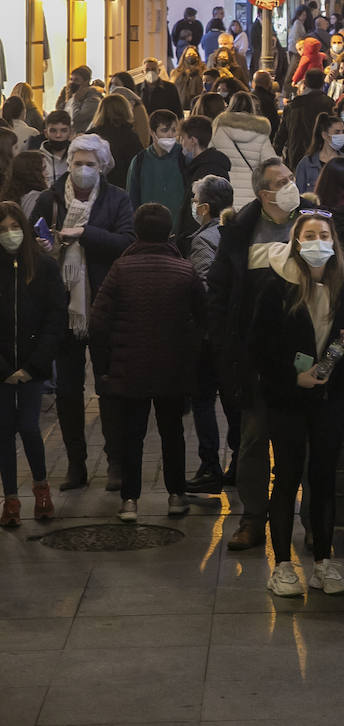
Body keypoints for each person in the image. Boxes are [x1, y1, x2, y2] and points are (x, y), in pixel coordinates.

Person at [249, 210, 344, 596]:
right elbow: (258, 348)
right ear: (297, 242)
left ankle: (323, 562)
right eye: (309, 235)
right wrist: (292, 377)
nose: (318, 242)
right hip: (286, 399)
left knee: (323, 478)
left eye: (324, 235)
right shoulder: (276, 285)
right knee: (286, 476)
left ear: (334, 241)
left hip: (330, 398)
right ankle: (282, 566)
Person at [208, 158, 310, 550]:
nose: (290, 185)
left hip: (306, 349)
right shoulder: (240, 230)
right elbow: (220, 290)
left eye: (290, 178)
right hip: (257, 356)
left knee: (307, 440)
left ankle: (313, 522)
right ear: (264, 193)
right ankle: (253, 518)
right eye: (281, 182)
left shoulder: (314, 220)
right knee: (253, 440)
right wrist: (224, 344)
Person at [31, 134, 135, 492]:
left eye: (91, 164)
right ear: (69, 164)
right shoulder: (50, 199)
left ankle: (116, 461)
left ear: (102, 166)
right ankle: (76, 464)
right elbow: (31, 240)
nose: (83, 170)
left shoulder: (117, 198)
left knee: (109, 386)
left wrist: (85, 233)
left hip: (103, 303)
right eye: (78, 163)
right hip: (62, 306)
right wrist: (43, 246)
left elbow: (127, 241)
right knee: (68, 391)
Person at [90, 202, 205, 521]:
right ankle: (176, 495)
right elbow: (203, 318)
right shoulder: (185, 270)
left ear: (136, 232)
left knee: (132, 435)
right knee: (173, 433)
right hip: (173, 369)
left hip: (129, 368)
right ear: (169, 233)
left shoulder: (120, 269)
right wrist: (189, 355)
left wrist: (104, 367)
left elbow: (98, 322)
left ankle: (130, 501)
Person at [0, 201, 67, 528]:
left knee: (28, 426)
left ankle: (41, 489)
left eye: (15, 227)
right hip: (2, 369)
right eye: (3, 229)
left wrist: (34, 364)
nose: (9, 234)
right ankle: (11, 498)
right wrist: (5, 369)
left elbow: (55, 319)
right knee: (3, 432)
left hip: (33, 365)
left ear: (25, 230)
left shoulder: (44, 267)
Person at [185, 174, 238, 493]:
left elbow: (205, 289)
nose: (193, 205)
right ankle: (240, 462)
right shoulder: (237, 231)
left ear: (204, 208)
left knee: (204, 399)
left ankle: (210, 467)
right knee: (233, 401)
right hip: (234, 333)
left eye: (195, 200)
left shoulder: (203, 240)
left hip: (210, 336)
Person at [175, 116, 232, 248]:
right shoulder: (203, 166)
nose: (181, 143)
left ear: (193, 140)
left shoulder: (205, 171)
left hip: (200, 242)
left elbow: (198, 213)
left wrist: (186, 240)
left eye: (183, 138)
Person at [210, 92, 275, 210]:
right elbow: (271, 163)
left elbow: (210, 156)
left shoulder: (218, 129)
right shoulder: (261, 131)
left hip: (223, 188)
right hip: (251, 190)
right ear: (252, 107)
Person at [275, 69, 334, 171]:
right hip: (320, 155)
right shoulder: (329, 104)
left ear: (305, 83)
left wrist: (277, 151)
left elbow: (282, 132)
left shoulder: (293, 105)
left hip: (296, 155)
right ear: (322, 83)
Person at [89, 94, 144, 189]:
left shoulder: (91, 135)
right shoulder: (130, 136)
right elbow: (138, 164)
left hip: (95, 187)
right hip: (123, 187)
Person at [295, 112, 344, 193]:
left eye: (342, 132)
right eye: (337, 132)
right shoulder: (306, 163)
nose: (341, 135)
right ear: (324, 135)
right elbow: (299, 193)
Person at [6, 151, 49, 221]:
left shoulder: (11, 195)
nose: (47, 173)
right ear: (32, 173)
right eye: (43, 169)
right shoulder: (36, 197)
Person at [58, 65, 101, 134]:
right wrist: (68, 99)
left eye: (76, 80)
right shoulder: (73, 95)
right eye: (71, 79)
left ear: (86, 81)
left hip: (82, 135)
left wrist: (76, 100)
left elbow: (77, 118)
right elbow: (61, 112)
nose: (72, 83)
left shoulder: (93, 99)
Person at [36, 109, 71, 185]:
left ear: (70, 132)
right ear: (46, 133)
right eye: (53, 131)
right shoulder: (36, 159)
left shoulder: (76, 157)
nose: (58, 135)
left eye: (63, 130)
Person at [172, 46, 204, 111]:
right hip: (180, 105)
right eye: (189, 54)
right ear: (184, 56)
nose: (191, 56)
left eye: (194, 54)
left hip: (198, 105)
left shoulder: (203, 71)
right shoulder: (177, 72)